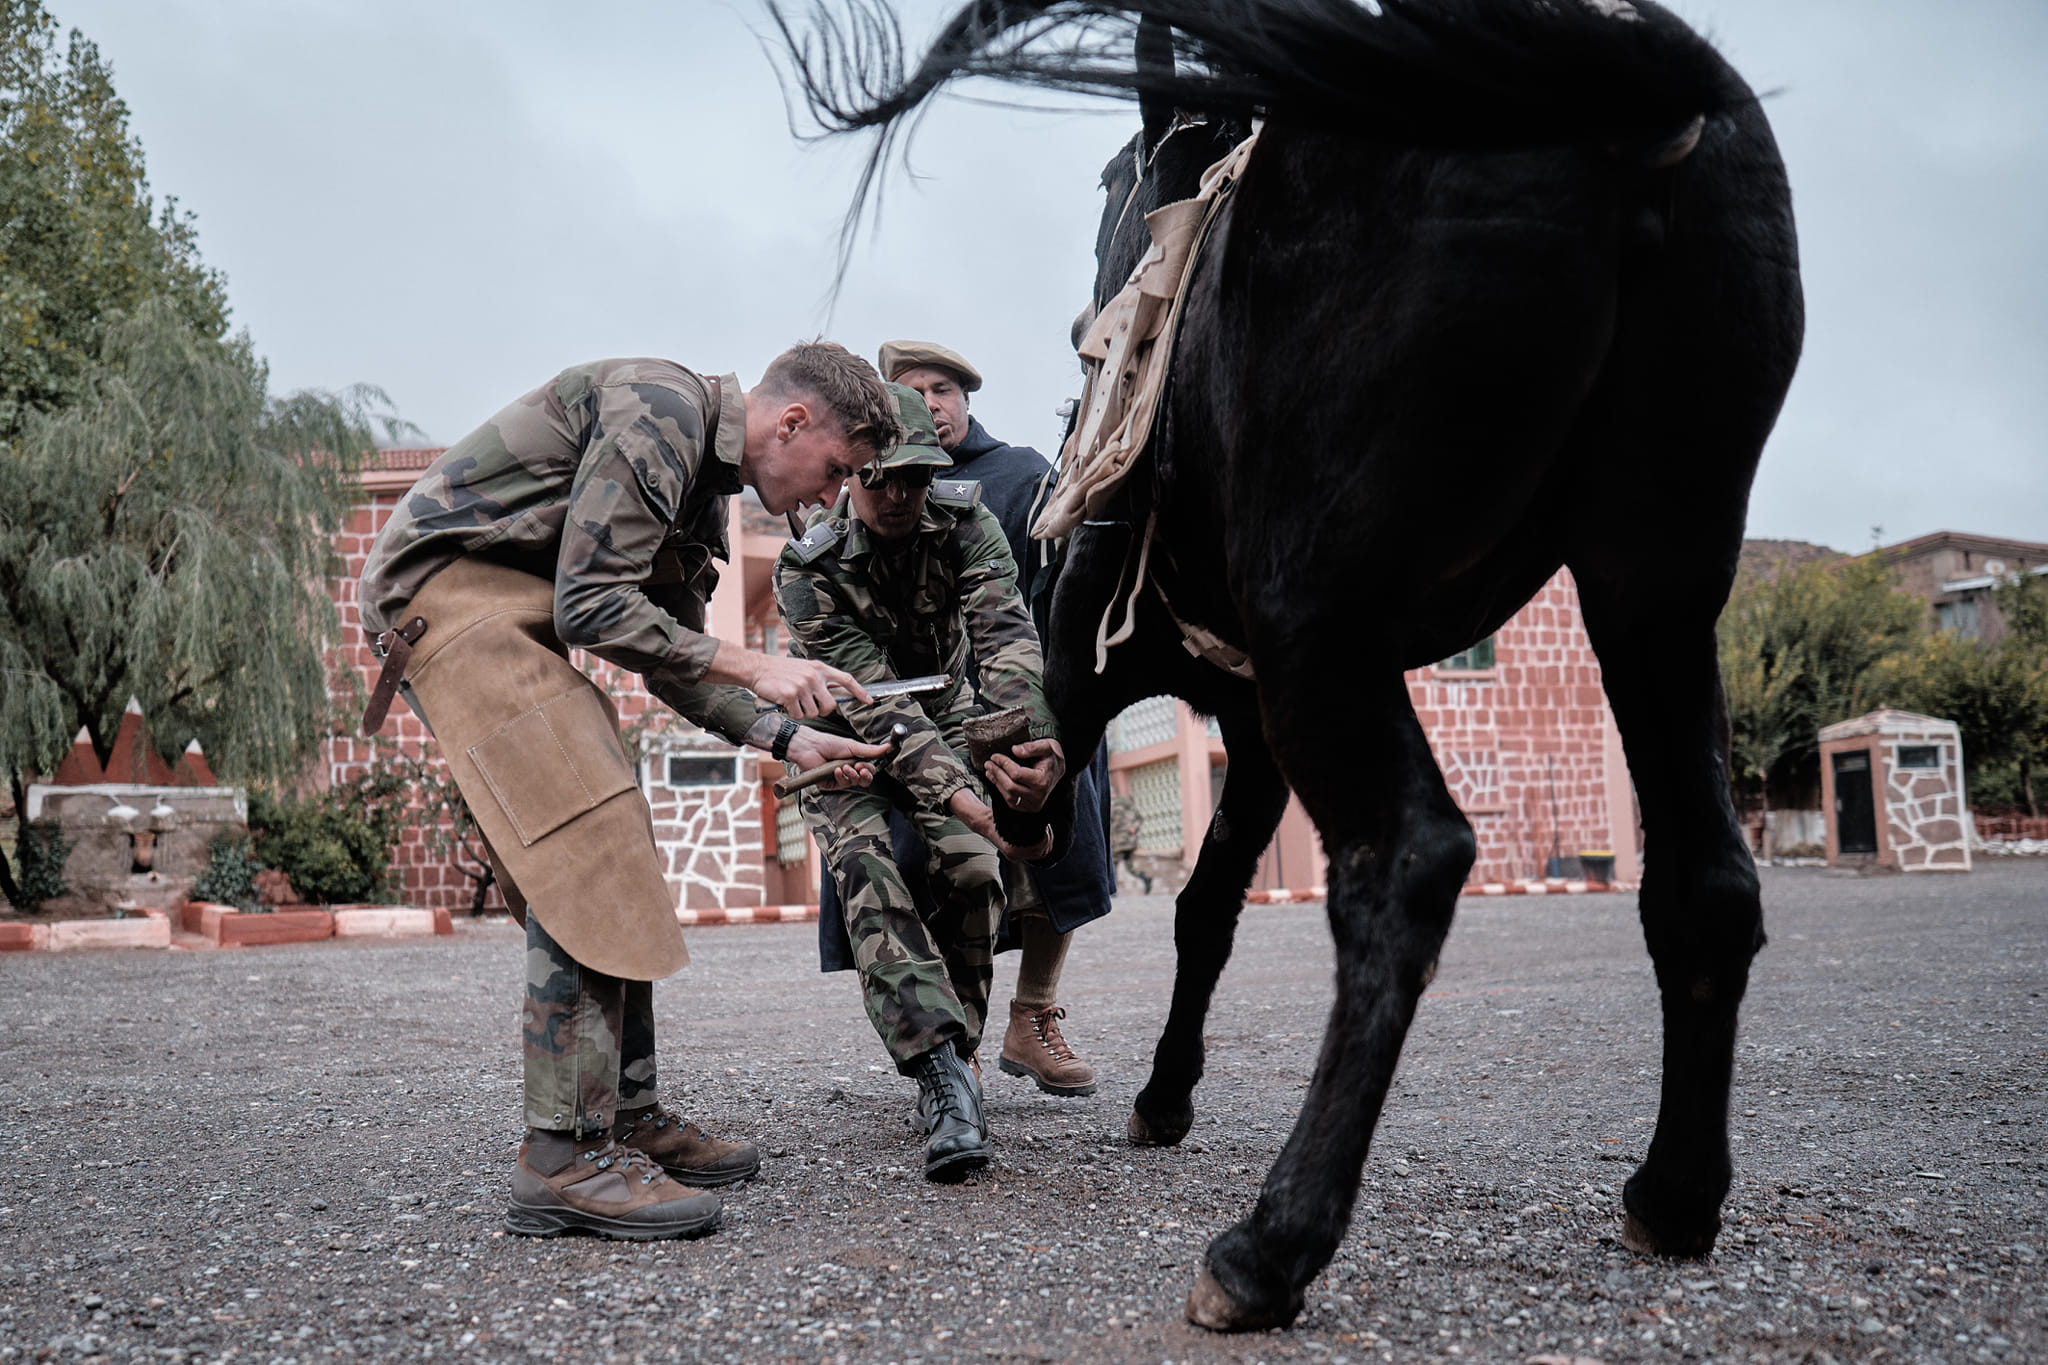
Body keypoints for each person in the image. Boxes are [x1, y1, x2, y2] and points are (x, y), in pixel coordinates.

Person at [357, 343, 899, 1241]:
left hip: (512, 613)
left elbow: (673, 659)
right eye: (837, 470)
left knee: (620, 837)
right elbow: (594, 607)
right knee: (586, 838)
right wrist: (758, 663)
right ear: (793, 421)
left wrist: (789, 735)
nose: (831, 497)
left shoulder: (701, 488)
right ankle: (563, 1157)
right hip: (446, 597)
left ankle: (625, 1114)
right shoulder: (665, 409)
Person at [775, 383, 1066, 1179]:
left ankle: (960, 1056)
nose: (899, 494)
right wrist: (973, 801)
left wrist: (1023, 748)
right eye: (881, 477)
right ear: (850, 473)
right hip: (847, 743)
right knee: (871, 874)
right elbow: (875, 713)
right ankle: (939, 1074)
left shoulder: (968, 524)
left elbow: (1007, 642)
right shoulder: (807, 571)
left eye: (915, 476)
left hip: (950, 716)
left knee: (976, 870)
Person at [877, 339, 1113, 1097]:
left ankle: (1033, 1015)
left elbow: (1063, 584)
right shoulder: (875, 487)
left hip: (1022, 689)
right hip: (920, 702)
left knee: (1057, 844)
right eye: (912, 389)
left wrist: (1051, 695)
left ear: (967, 400)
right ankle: (960, 1037)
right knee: (941, 866)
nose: (932, 401)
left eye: (943, 387)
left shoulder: (1018, 474)